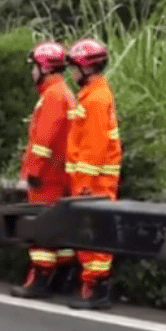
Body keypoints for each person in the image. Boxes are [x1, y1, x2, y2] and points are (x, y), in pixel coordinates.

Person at [11, 41, 82, 299]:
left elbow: (43, 140)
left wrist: (32, 171)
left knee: (40, 228)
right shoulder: (63, 93)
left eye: (34, 67)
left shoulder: (53, 96)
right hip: (59, 173)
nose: (32, 73)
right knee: (57, 229)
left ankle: (37, 280)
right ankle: (60, 278)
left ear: (45, 68)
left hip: (47, 176)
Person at [65, 37, 122, 310]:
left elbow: (94, 146)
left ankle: (97, 288)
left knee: (95, 236)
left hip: (95, 183)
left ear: (87, 68)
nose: (72, 72)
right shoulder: (91, 94)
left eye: (75, 66)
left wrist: (85, 182)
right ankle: (91, 284)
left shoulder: (97, 98)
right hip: (89, 181)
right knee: (88, 235)